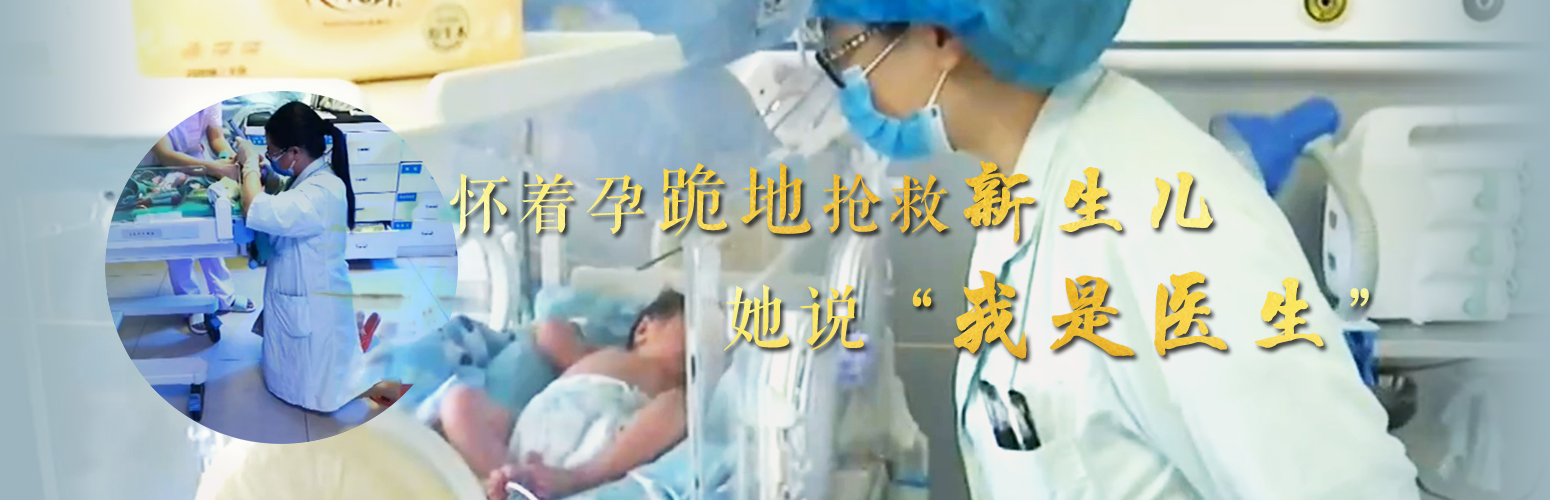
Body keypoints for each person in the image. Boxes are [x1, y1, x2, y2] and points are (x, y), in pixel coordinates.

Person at [811, 1, 1420, 498]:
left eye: (842, 56)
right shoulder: (1031, 174)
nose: (844, 89)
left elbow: (1345, 486)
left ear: (940, 35)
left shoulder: (1162, 225)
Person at [439, 290, 688, 500]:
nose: (703, 340)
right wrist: (570, 333)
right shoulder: (602, 355)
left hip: (598, 448)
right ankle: (507, 478)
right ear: (644, 329)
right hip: (528, 441)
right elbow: (549, 331)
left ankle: (572, 479)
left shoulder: (678, 391)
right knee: (459, 401)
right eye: (692, 325)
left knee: (678, 407)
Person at [231, 100, 381, 413]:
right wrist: (267, 176)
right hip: (310, 289)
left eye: (273, 152)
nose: (270, 157)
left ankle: (367, 382)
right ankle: (360, 352)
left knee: (321, 374)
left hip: (312, 300)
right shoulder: (314, 179)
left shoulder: (320, 192)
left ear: (295, 152)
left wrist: (248, 166)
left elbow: (256, 209)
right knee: (321, 356)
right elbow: (287, 196)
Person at [141, 103, 256, 334]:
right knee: (178, 241)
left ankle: (225, 296)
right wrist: (214, 167)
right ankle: (190, 303)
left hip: (200, 165)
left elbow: (216, 137)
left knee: (210, 234)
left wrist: (227, 156)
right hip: (162, 171)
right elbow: (165, 154)